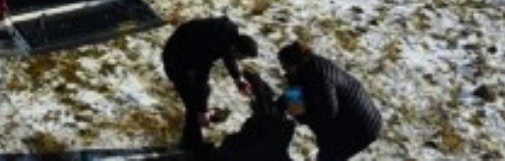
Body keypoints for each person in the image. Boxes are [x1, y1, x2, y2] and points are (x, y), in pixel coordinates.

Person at [162, 17, 259, 157]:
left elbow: (229, 55)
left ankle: (191, 140)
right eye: (241, 57)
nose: (239, 60)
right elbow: (200, 77)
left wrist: (238, 79)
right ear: (235, 47)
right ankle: (190, 145)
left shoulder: (230, 37)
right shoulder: (209, 46)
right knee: (194, 101)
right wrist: (201, 111)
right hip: (176, 59)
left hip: (190, 54)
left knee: (201, 96)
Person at [277, 40, 383, 161]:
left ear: (294, 64)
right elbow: (297, 92)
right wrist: (282, 104)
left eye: (285, 67)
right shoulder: (307, 67)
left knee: (329, 157)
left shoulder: (320, 77)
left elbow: (328, 112)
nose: (284, 70)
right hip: (348, 120)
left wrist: (303, 117)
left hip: (361, 126)